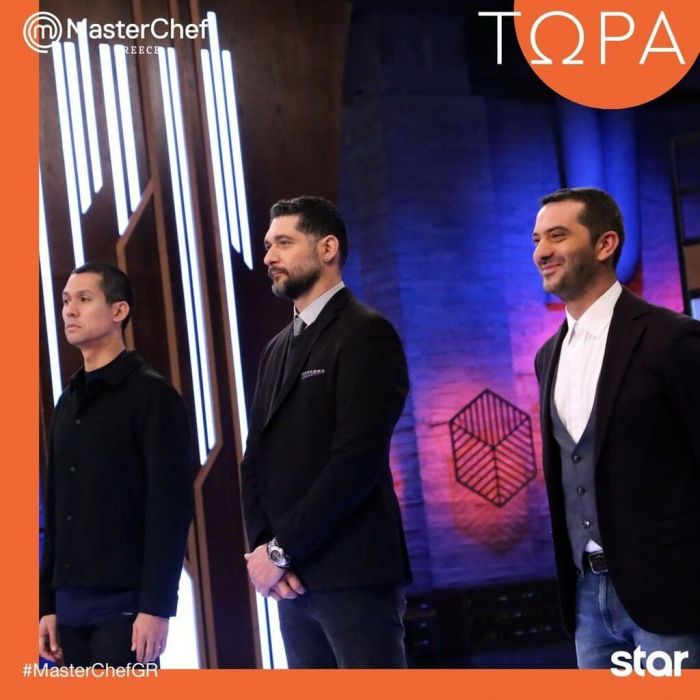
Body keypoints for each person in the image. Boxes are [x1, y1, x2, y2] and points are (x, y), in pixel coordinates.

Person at [532, 187, 700, 669]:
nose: (541, 252)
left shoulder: (671, 339)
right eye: (537, 240)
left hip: (669, 596)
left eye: (558, 236)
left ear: (605, 244)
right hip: (586, 599)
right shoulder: (546, 357)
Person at [240, 196, 411, 668]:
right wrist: (264, 551)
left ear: (327, 248)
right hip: (291, 582)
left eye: (283, 243)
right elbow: (255, 459)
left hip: (354, 574)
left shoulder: (366, 332)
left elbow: (356, 461)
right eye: (267, 245)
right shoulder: (275, 348)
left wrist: (280, 550)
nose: (269, 256)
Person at [39, 262, 193, 667]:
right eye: (66, 301)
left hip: (124, 607)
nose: (70, 310)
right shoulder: (66, 402)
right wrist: (46, 604)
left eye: (84, 299)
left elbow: (171, 509)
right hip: (68, 606)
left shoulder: (152, 396)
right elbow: (56, 509)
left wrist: (157, 607)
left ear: (118, 310)